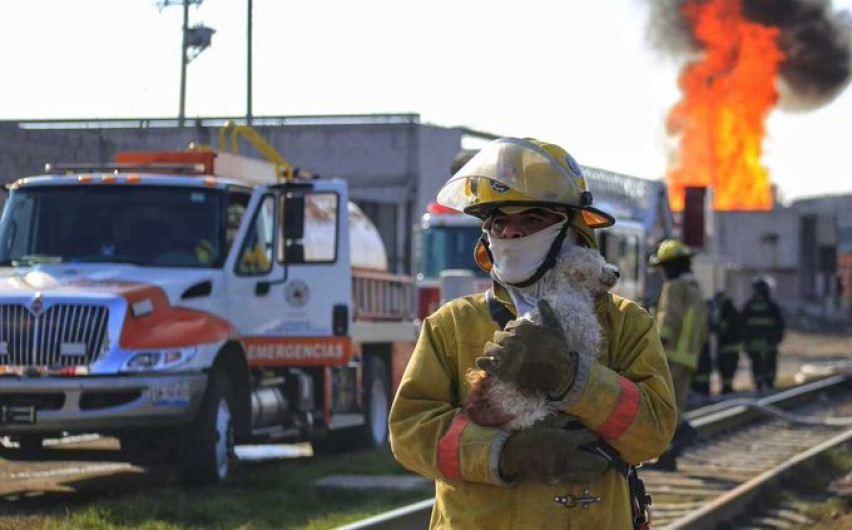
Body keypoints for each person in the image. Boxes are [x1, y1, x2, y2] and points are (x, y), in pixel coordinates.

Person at [388, 137, 676, 528]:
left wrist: (574, 379)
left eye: (531, 219)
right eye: (498, 221)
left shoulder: (626, 324)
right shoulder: (451, 325)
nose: (511, 233)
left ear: (572, 228)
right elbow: (409, 433)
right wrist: (508, 453)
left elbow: (654, 432)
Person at [646, 238, 708, 471]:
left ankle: (682, 436)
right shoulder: (696, 290)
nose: (662, 274)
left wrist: (656, 346)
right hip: (689, 358)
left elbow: (669, 319)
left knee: (661, 405)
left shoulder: (674, 288)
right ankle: (669, 457)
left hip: (671, 356)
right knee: (675, 405)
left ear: (670, 267)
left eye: (663, 268)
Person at [741, 276, 785, 391]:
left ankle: (759, 385)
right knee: (770, 363)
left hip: (754, 344)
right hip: (769, 343)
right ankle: (769, 384)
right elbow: (780, 324)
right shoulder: (772, 306)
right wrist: (778, 338)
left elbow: (742, 325)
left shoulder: (749, 306)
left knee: (756, 364)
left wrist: (746, 341)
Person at [712, 290, 742, 394]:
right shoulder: (733, 311)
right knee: (729, 370)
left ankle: (727, 389)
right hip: (733, 348)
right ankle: (727, 387)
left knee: (726, 369)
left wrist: (713, 326)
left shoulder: (725, 313)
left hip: (726, 348)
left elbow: (721, 329)